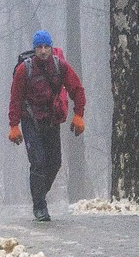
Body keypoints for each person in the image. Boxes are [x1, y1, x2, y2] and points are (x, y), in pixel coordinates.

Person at [8, 29, 86, 221]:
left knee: (55, 163)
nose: (43, 51)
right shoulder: (23, 70)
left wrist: (78, 115)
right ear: (34, 49)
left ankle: (39, 195)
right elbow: (15, 99)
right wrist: (13, 125)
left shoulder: (60, 67)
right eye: (39, 47)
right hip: (30, 120)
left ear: (51, 48)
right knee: (38, 162)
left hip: (51, 121)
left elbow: (77, 89)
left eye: (46, 47)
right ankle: (40, 207)